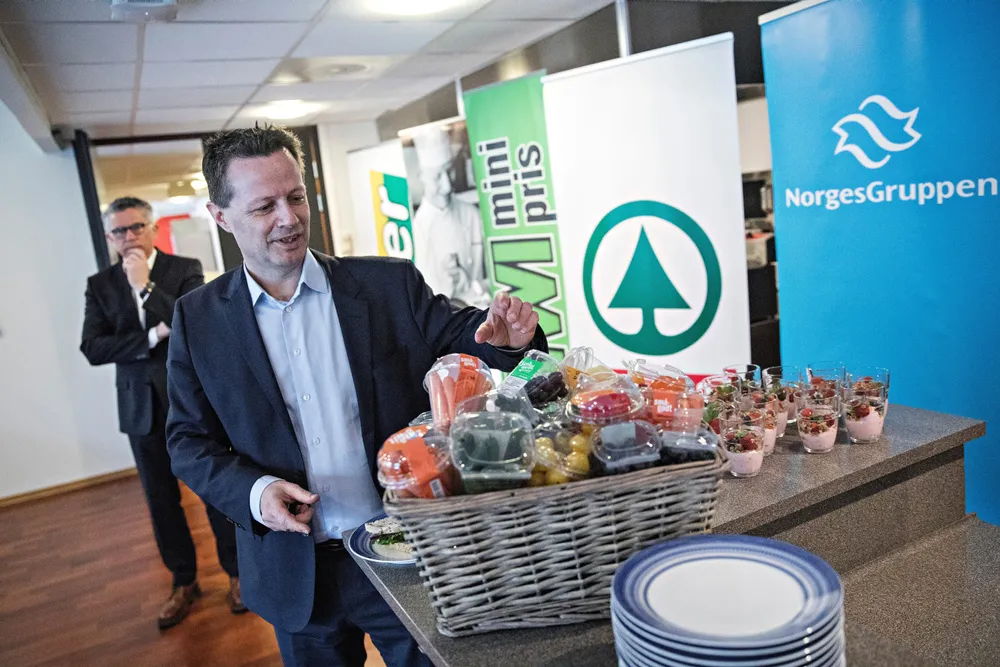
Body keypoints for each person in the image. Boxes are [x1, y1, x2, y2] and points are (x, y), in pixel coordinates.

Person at [165, 125, 546, 667]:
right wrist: (255, 492)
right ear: (221, 216)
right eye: (264, 206)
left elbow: (465, 334)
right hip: (296, 573)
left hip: (407, 552)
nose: (289, 218)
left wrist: (508, 338)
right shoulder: (198, 319)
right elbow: (186, 441)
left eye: (296, 197)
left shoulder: (387, 285)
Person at [80, 197, 242, 629]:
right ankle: (184, 581)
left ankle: (237, 574)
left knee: (213, 489)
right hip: (140, 408)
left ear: (152, 228)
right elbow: (93, 347)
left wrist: (146, 287)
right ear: (110, 237)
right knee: (160, 500)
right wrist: (153, 334)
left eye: (137, 227)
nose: (129, 237)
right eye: (119, 231)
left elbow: (196, 324)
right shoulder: (100, 285)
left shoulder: (183, 268)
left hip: (191, 403)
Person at [411, 125, 490, 308]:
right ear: (421, 176)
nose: (447, 186)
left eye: (449, 172)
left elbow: (496, 274)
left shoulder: (471, 214)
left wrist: (473, 286)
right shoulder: (417, 228)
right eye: (437, 177)